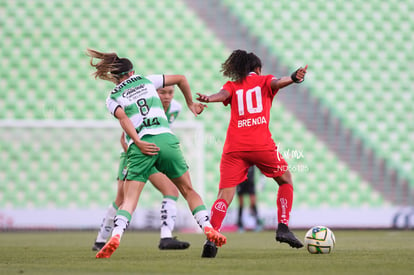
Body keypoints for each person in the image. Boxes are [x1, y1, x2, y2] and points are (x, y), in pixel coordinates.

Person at [86, 48, 226, 259]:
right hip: (166, 140)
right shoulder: (146, 80)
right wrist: (190, 103)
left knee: (129, 199)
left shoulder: (112, 97)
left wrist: (139, 142)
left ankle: (115, 236)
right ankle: (207, 226)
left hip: (140, 146)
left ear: (114, 77)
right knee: (188, 190)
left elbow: (124, 120)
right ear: (132, 72)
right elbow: (181, 78)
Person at [196, 49, 307, 258]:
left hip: (234, 147)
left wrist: (208, 99)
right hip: (261, 145)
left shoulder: (233, 85)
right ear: (257, 68)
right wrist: (293, 78)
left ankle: (212, 238)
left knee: (225, 195)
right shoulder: (264, 80)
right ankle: (283, 227)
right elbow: (278, 82)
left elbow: (223, 95)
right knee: (285, 181)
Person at [92, 86, 190, 251]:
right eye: (162, 92)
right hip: (135, 154)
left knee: (171, 191)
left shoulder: (175, 108)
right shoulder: (142, 105)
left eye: (170, 92)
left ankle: (166, 237)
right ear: (154, 93)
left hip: (154, 153)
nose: (167, 96)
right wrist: (136, 157)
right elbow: (124, 139)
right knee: (121, 199)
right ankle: (101, 239)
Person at [236, 166, 262, 232]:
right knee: (241, 203)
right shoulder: (240, 158)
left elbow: (260, 165)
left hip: (250, 182)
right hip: (240, 182)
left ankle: (257, 223)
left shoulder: (253, 158)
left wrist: (262, 180)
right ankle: (240, 224)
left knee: (253, 202)